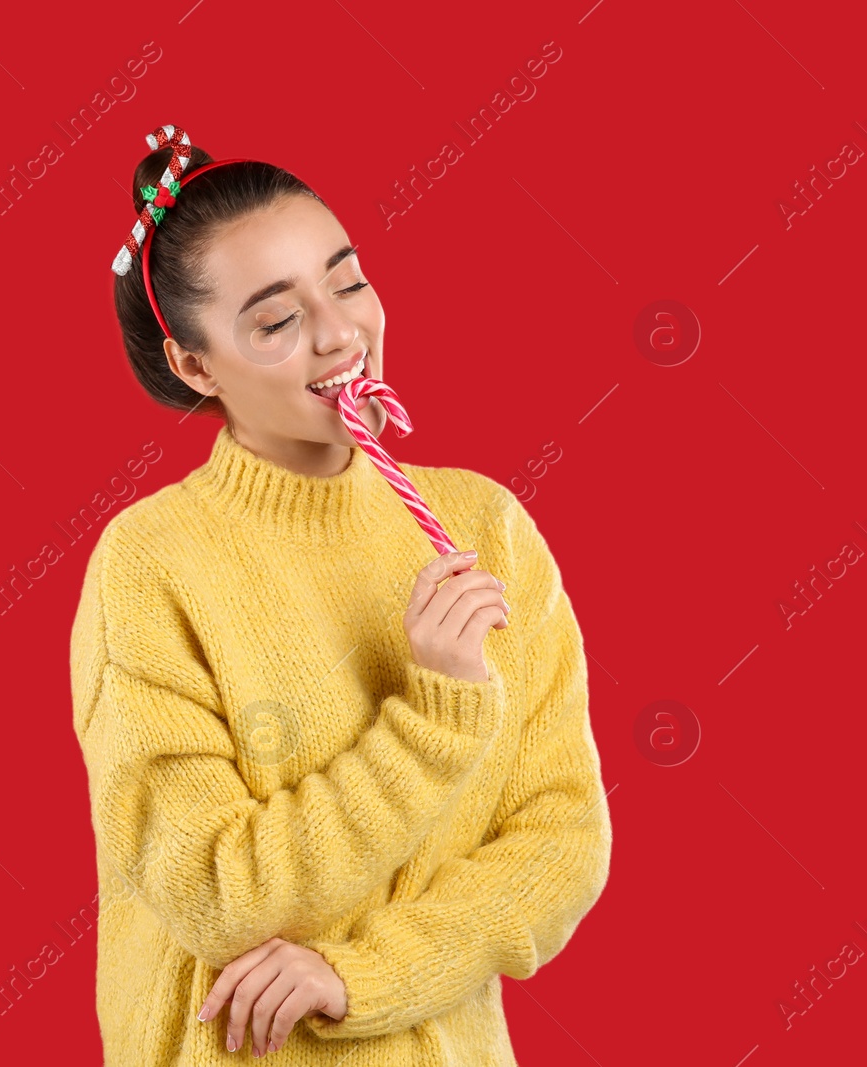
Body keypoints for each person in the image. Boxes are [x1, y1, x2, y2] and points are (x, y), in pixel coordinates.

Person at [70, 126, 612, 1065]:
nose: (340, 333)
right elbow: (214, 891)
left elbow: (561, 841)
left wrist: (361, 976)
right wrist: (433, 717)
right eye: (275, 322)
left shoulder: (484, 526)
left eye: (349, 279)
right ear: (196, 367)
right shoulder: (153, 562)